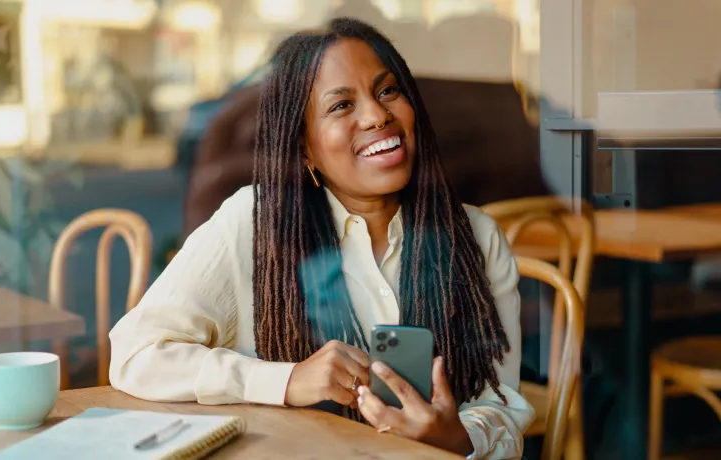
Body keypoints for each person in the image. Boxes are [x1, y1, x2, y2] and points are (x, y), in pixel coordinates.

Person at [109, 18, 534, 458]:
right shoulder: (256, 222)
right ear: (304, 147)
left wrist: (455, 438)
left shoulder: (476, 238)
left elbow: (498, 405)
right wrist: (289, 379)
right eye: (341, 106)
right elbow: (137, 354)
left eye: (387, 91)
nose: (376, 115)